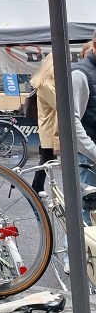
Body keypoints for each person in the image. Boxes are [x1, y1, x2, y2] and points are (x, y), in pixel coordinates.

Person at [72, 40, 96, 219]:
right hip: (89, 157)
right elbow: (72, 121)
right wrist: (93, 151)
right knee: (88, 214)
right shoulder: (80, 74)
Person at [30, 53, 57, 194]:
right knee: (46, 159)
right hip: (50, 129)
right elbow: (59, 104)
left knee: (47, 159)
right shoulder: (46, 85)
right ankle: (35, 189)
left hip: (49, 127)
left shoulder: (47, 83)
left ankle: (36, 189)